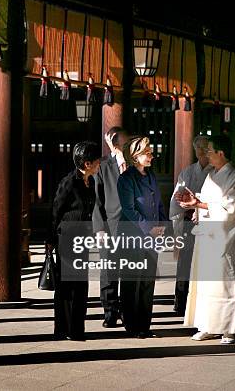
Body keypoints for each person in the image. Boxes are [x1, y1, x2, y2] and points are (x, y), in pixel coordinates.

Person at [176, 135, 235, 345]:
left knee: (223, 283)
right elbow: (206, 201)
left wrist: (201, 204)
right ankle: (207, 325)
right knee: (205, 283)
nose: (206, 154)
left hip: (224, 237)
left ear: (221, 153)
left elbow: (230, 209)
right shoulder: (211, 175)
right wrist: (194, 203)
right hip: (206, 233)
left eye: (210, 151)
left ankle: (227, 329)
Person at [46, 141, 101, 341]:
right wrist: (50, 238)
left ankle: (77, 329)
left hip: (83, 238)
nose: (99, 164)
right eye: (96, 161)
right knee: (66, 285)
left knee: (81, 284)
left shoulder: (91, 182)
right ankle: (63, 329)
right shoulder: (69, 182)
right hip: (67, 238)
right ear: (87, 163)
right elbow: (55, 210)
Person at [117, 136, 167, 339]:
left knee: (148, 281)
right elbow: (128, 209)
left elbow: (159, 203)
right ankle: (132, 324)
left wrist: (163, 225)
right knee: (132, 281)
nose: (151, 156)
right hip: (133, 235)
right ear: (135, 156)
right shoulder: (126, 179)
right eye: (147, 152)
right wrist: (149, 228)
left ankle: (145, 325)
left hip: (152, 237)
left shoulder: (151, 176)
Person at [169, 135, 213, 316]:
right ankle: (180, 303)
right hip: (189, 223)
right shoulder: (187, 172)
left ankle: (201, 305)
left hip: (209, 221)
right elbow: (176, 199)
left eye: (203, 148)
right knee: (184, 264)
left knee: (205, 265)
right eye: (199, 148)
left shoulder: (215, 171)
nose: (201, 152)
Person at [92, 126, 129, 328]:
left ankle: (127, 310)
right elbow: (97, 200)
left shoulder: (136, 164)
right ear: (115, 144)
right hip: (110, 225)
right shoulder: (103, 166)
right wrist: (99, 228)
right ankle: (110, 311)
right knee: (109, 271)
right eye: (125, 141)